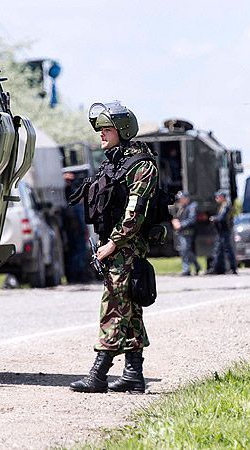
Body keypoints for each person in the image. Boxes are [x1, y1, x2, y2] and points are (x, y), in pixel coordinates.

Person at [69, 101, 158, 393]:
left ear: (122, 130)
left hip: (127, 248)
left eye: (107, 129)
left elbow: (135, 212)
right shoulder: (115, 162)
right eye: (101, 130)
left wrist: (113, 244)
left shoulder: (141, 165)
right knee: (128, 307)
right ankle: (134, 373)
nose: (102, 135)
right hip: (114, 245)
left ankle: (99, 373)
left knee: (113, 307)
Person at [207, 190, 237, 274]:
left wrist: (214, 218)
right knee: (218, 251)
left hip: (225, 231)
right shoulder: (222, 206)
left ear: (222, 197)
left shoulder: (226, 206)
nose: (216, 198)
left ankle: (233, 268)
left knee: (227, 250)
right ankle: (217, 268)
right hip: (221, 231)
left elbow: (222, 218)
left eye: (218, 197)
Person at [172, 191, 200, 276]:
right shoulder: (182, 207)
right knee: (186, 250)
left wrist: (181, 225)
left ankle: (186, 269)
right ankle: (196, 266)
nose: (179, 200)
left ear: (186, 198)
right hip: (181, 232)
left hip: (188, 232)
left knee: (185, 250)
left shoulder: (192, 206)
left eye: (181, 198)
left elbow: (192, 219)